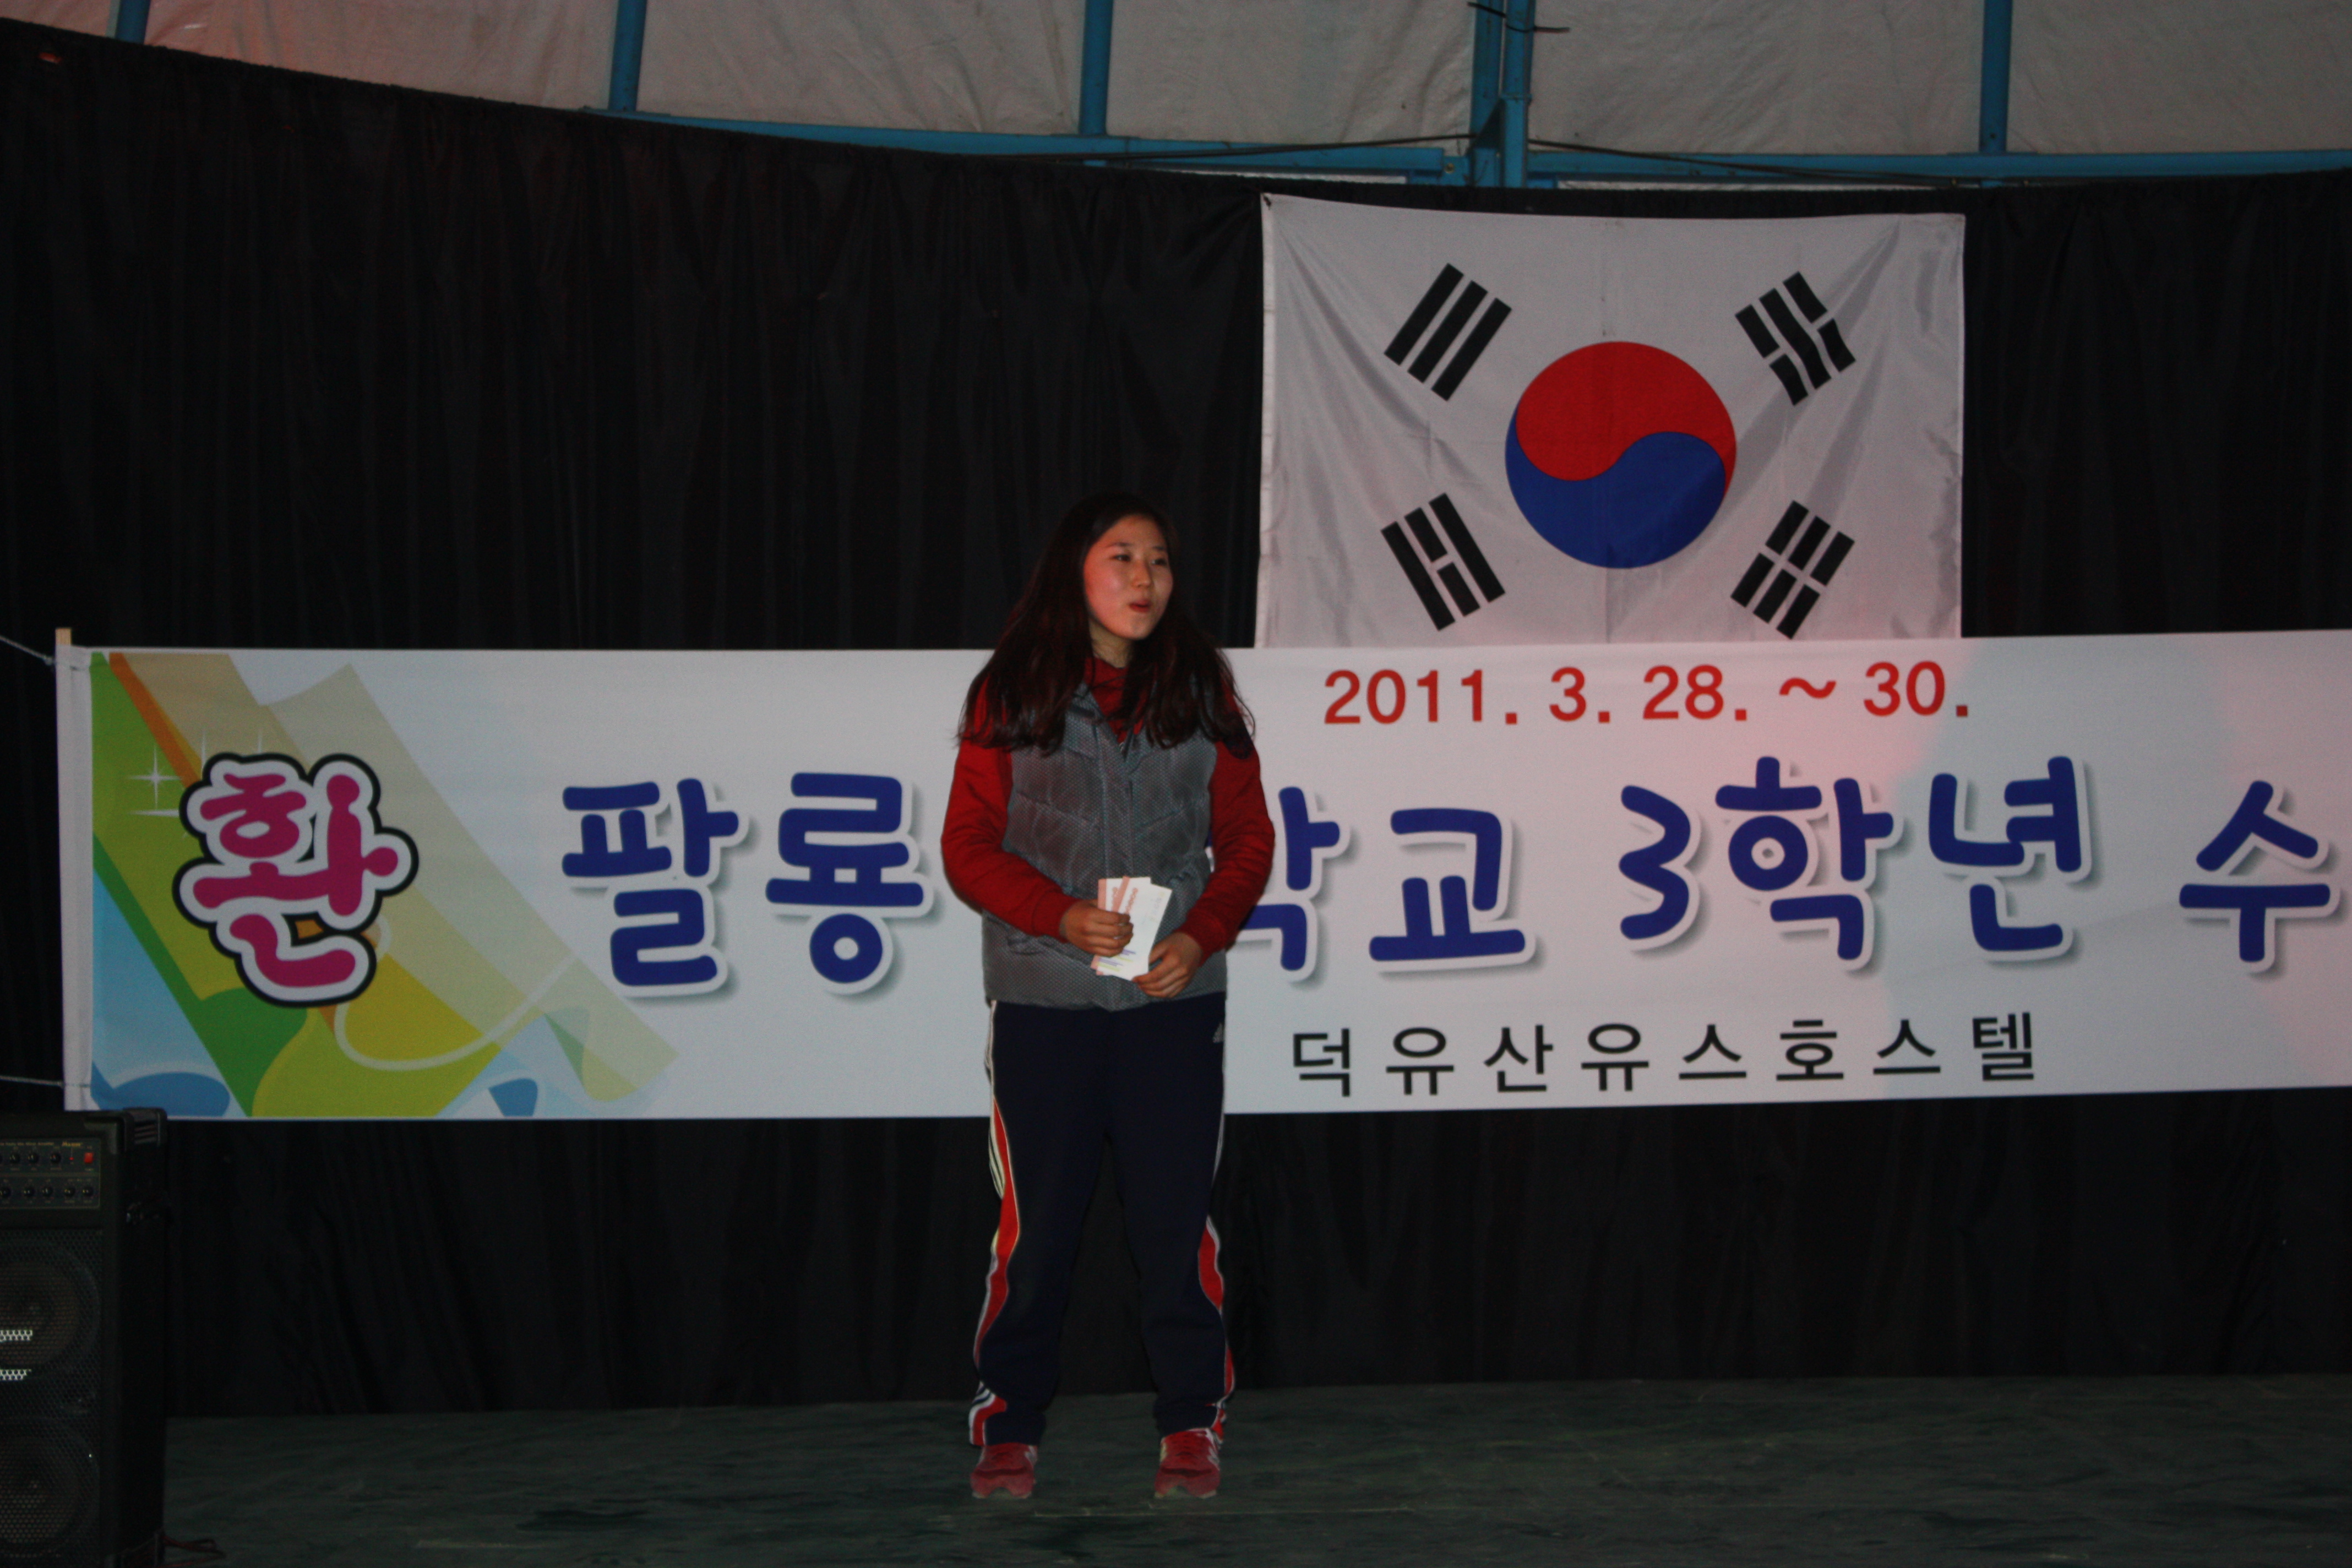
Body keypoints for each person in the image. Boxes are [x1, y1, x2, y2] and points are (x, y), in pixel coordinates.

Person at [941, 492, 1274, 1502]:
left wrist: (1201, 937)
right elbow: (967, 847)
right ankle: (1008, 1424)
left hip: (1174, 1004)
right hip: (1045, 1002)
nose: (1144, 578)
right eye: (1121, 556)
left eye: (1159, 560)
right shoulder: (1012, 690)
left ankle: (1191, 1423)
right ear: (1073, 571)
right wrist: (1058, 915)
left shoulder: (1202, 689)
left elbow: (1249, 840)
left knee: (1176, 1226)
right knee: (1036, 1231)